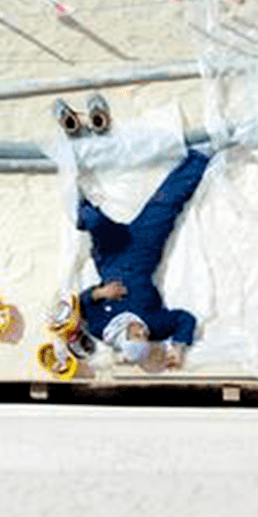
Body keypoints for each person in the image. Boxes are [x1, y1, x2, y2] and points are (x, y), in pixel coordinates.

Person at [78, 148, 211, 368]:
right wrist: (177, 348)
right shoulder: (154, 326)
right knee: (165, 205)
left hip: (110, 256)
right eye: (144, 337)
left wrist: (100, 292)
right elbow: (184, 319)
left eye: (136, 335)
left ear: (123, 338)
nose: (142, 331)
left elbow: (80, 305)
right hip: (143, 254)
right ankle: (199, 158)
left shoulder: (101, 327)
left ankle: (78, 194)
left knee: (93, 221)